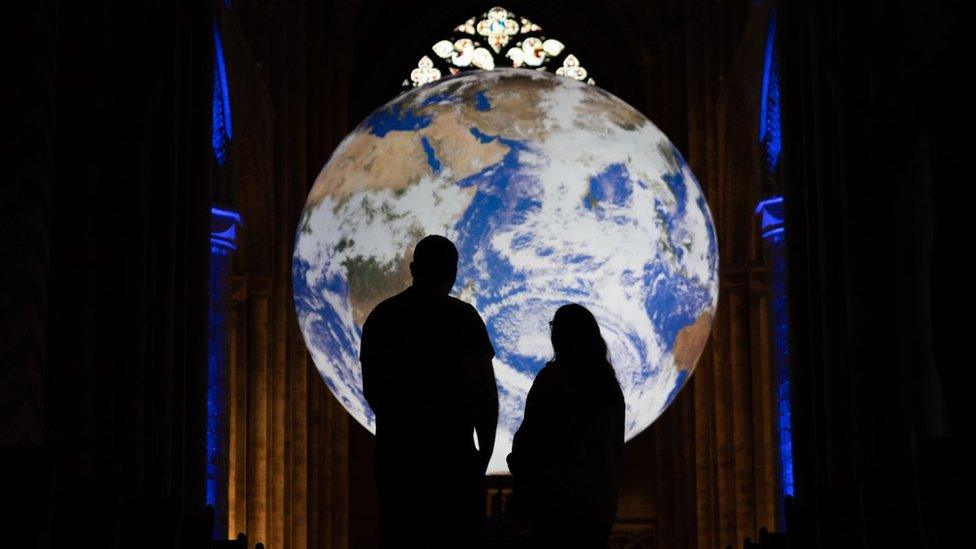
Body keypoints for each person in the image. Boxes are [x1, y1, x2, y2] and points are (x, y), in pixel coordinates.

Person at [359, 235, 498, 548]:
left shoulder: (382, 318)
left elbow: (372, 391)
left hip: (398, 465)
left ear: (413, 268)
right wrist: (483, 457)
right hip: (454, 465)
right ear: (453, 272)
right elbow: (484, 396)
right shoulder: (464, 319)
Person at [506, 303, 625, 548]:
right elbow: (615, 449)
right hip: (599, 510)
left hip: (557, 508)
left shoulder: (553, 380)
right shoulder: (610, 388)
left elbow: (531, 441)